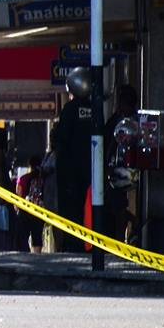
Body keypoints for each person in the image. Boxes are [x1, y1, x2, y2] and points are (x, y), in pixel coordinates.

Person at [50, 71, 98, 250]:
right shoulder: (95, 108)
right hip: (92, 169)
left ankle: (73, 245)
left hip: (70, 172)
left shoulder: (69, 110)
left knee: (71, 211)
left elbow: (62, 138)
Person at [103, 84, 141, 244]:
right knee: (114, 206)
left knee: (118, 207)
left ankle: (122, 237)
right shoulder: (117, 120)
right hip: (116, 169)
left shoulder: (132, 121)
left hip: (126, 170)